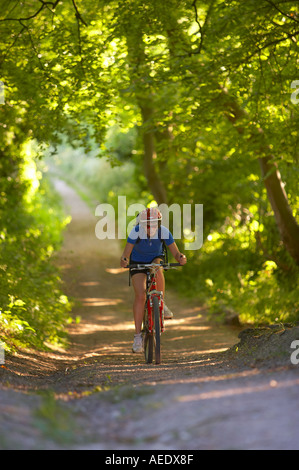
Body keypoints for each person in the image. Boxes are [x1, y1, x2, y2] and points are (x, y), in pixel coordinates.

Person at [120, 207, 187, 353]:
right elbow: (126, 253)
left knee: (157, 266)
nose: (150, 227)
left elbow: (176, 253)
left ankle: (161, 303)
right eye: (147, 224)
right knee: (141, 295)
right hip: (137, 262)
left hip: (155, 258)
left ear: (159, 222)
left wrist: (181, 258)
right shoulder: (136, 231)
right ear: (141, 224)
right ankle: (138, 337)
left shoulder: (163, 231)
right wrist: (124, 260)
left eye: (154, 223)